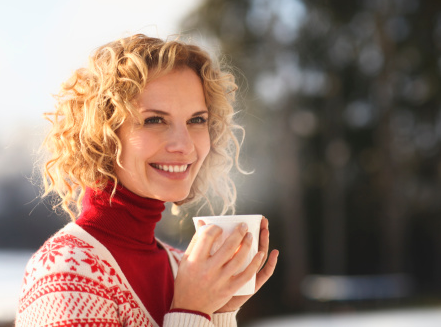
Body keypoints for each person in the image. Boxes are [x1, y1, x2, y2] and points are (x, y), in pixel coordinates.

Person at [15, 34, 279, 327]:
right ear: (103, 135)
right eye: (154, 120)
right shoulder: (66, 271)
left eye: (196, 120)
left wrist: (217, 312)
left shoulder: (185, 270)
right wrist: (190, 311)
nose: (184, 145)